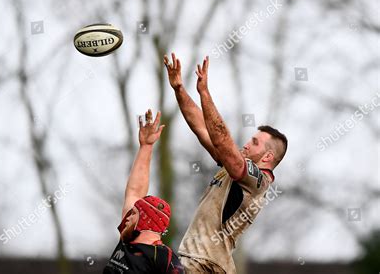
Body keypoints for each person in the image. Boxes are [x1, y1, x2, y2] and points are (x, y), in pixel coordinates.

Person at [164, 53, 288, 273]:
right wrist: (179, 89)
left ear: (268, 157)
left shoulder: (257, 182)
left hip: (206, 265)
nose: (247, 145)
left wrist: (204, 92)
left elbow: (222, 139)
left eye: (255, 142)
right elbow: (202, 127)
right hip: (199, 261)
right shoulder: (234, 168)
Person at [103, 109, 185, 274]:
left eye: (133, 213)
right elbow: (134, 191)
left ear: (145, 220)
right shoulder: (127, 241)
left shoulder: (163, 257)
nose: (127, 218)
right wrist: (146, 146)